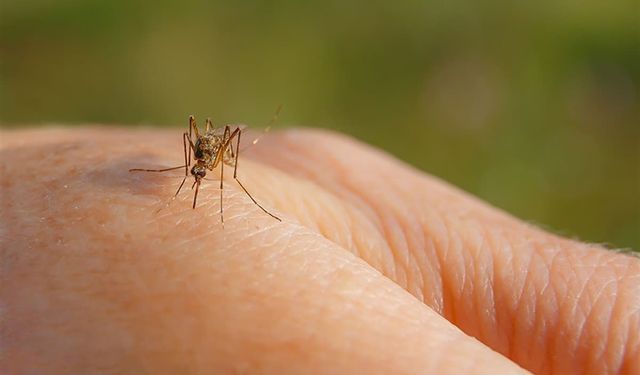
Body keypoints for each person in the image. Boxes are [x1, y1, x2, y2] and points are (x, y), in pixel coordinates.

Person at [1, 127, 638, 374]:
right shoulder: (188, 162)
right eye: (198, 163)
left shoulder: (220, 161)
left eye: (202, 163)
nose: (197, 171)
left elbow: (223, 155)